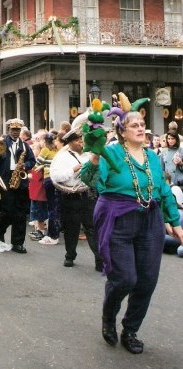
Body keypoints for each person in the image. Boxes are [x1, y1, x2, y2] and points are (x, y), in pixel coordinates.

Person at [81, 106, 183, 354]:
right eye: (134, 125)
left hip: (150, 222)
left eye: (142, 125)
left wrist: (176, 224)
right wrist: (95, 156)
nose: (140, 128)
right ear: (121, 131)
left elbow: (163, 190)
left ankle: (130, 329)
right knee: (125, 278)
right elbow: (89, 179)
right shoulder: (111, 153)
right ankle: (109, 317)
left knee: (147, 282)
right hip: (119, 221)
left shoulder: (151, 157)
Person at [50, 126, 102, 270]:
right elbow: (55, 177)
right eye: (78, 140)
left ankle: (99, 259)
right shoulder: (61, 157)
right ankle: (70, 256)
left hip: (88, 195)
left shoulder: (88, 155)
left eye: (82, 140)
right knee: (71, 228)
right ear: (70, 142)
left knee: (92, 228)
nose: (81, 143)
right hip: (70, 197)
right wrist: (73, 170)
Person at [0, 118, 35, 254]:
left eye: (18, 130)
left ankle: (17, 243)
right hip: (6, 179)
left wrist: (25, 165)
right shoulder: (1, 144)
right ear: (8, 130)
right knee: (7, 212)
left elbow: (32, 161)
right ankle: (0, 230)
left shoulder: (25, 146)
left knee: (20, 213)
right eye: (13, 130)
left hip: (20, 181)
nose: (16, 132)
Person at [36, 132, 60, 245]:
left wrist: (43, 164)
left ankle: (52, 236)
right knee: (55, 207)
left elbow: (38, 162)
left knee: (51, 208)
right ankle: (54, 233)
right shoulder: (57, 150)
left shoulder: (45, 150)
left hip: (48, 179)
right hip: (57, 179)